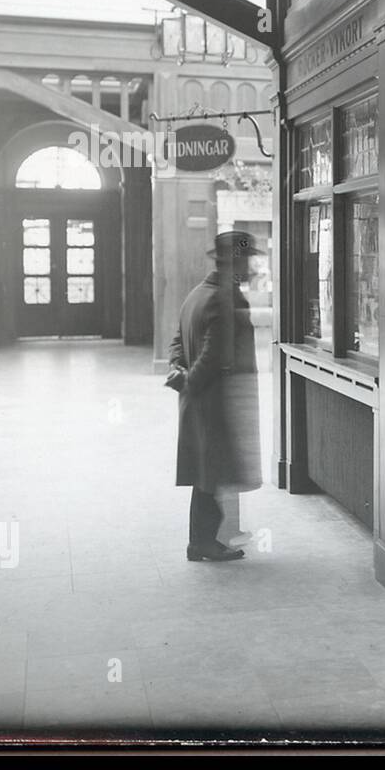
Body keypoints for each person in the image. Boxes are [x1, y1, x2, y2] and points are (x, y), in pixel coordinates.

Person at [167, 230, 263, 562]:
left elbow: (177, 340)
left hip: (197, 400)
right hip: (213, 400)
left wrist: (178, 372)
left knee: (207, 472)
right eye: (246, 258)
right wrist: (191, 382)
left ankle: (203, 540)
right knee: (211, 472)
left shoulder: (196, 293)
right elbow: (215, 354)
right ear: (234, 261)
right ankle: (205, 542)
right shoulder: (225, 299)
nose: (250, 265)